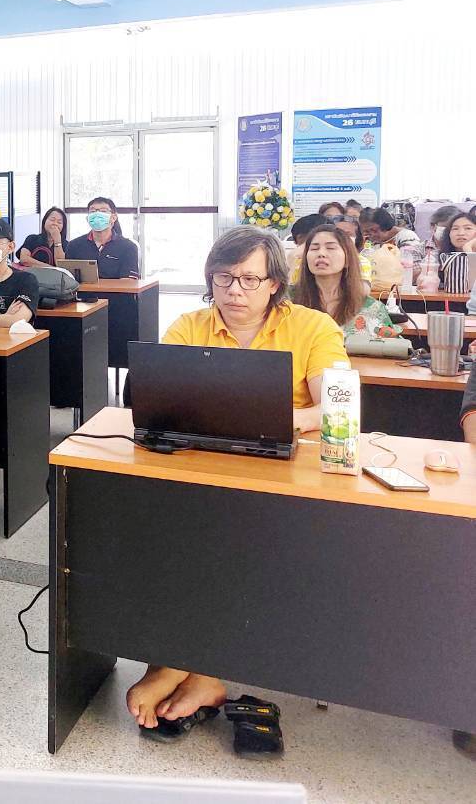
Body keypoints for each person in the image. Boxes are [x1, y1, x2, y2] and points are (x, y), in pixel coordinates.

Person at [125, 226, 347, 735]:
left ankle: (186, 664)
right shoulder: (189, 324)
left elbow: (335, 403)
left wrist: (277, 419)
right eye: (224, 279)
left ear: (275, 283)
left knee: (233, 539)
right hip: (196, 460)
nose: (234, 291)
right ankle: (195, 666)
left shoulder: (312, 327)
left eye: (249, 279)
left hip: (279, 469)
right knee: (158, 530)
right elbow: (159, 394)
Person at [293, 224, 400, 342]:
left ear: (347, 259)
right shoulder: (288, 302)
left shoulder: (370, 307)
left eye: (330, 248)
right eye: (314, 249)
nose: (321, 253)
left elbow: (396, 348)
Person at [63, 196, 140, 279]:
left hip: (116, 292)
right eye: (92, 211)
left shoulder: (128, 247)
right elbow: (68, 279)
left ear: (113, 218)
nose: (97, 215)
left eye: (103, 211)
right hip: (84, 292)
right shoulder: (74, 245)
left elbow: (130, 282)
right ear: (88, 218)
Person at [436, 210, 476, 294]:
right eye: (455, 228)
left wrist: (468, 249)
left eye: (468, 228)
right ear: (449, 234)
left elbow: (472, 287)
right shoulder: (441, 257)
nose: (460, 233)